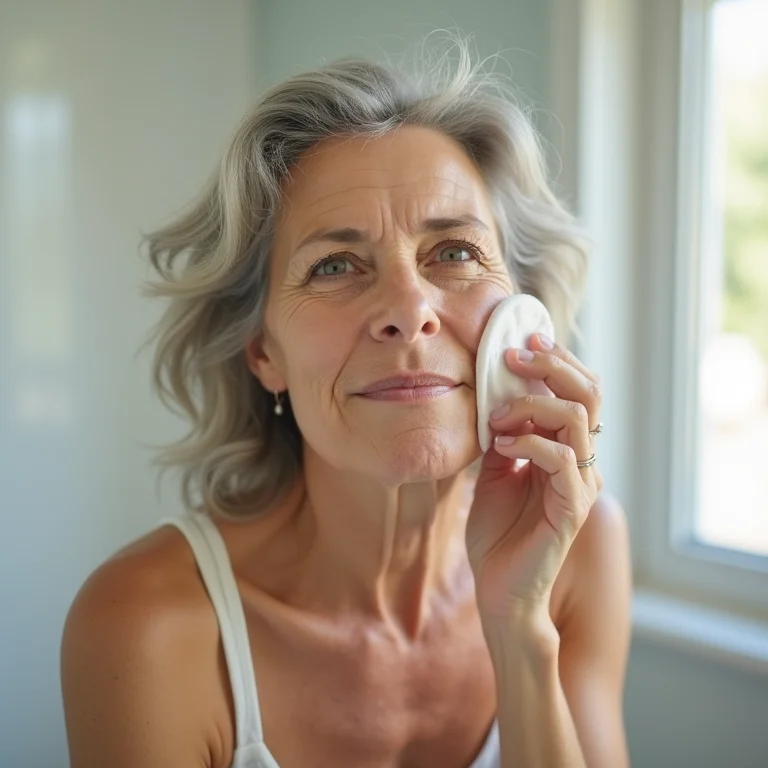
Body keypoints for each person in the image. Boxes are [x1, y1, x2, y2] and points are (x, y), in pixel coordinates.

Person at [61, 37, 632, 768]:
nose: (408, 307)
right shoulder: (145, 626)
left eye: (453, 252)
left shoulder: (580, 547)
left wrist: (519, 627)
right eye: (334, 265)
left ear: (525, 317)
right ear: (262, 351)